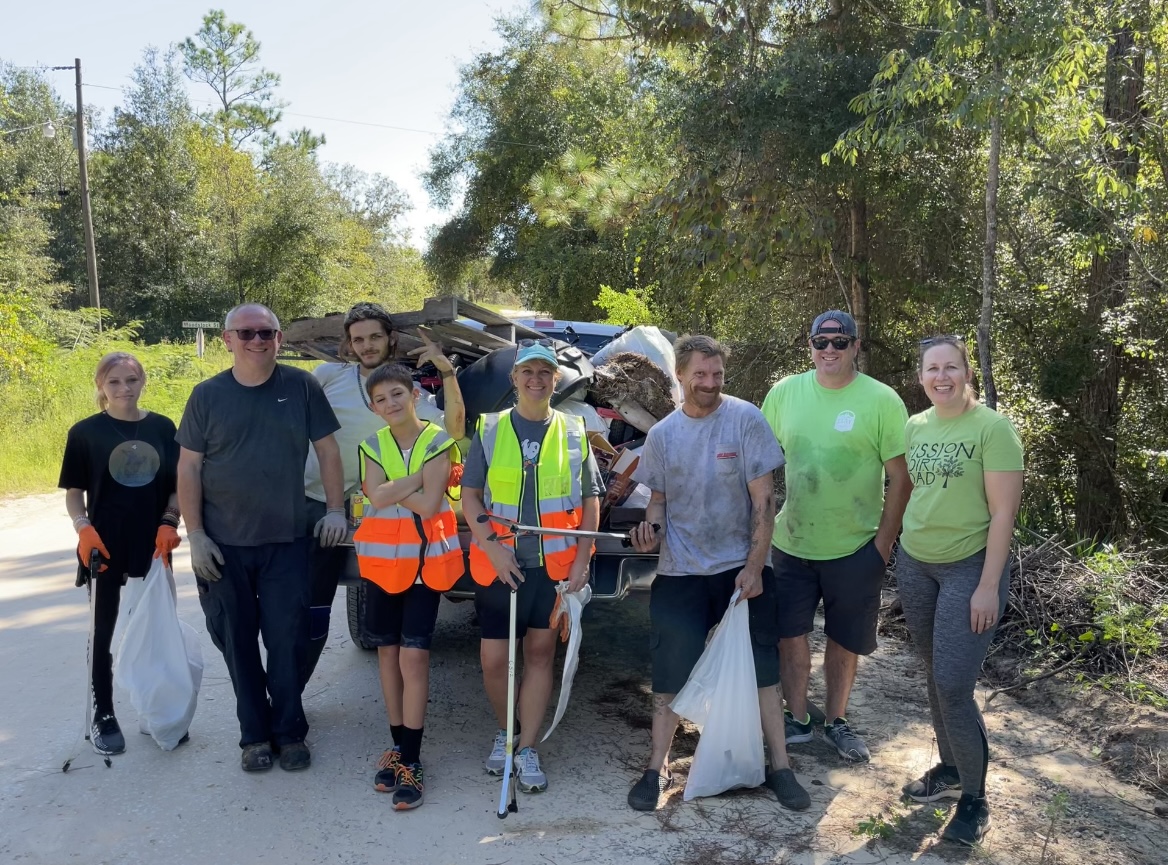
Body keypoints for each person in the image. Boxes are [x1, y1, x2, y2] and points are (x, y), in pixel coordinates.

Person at [626, 335, 810, 812]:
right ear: (681, 377)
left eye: (717, 375)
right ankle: (656, 767)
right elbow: (659, 503)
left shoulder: (745, 419)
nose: (709, 384)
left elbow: (764, 500)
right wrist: (651, 533)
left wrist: (753, 568)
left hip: (738, 572)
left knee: (762, 674)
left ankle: (781, 767)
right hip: (681, 571)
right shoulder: (663, 435)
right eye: (699, 375)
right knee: (668, 676)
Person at [177, 303, 344, 773]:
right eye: (247, 333)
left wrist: (335, 510)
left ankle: (289, 733)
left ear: (279, 338)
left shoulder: (301, 386)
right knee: (237, 640)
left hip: (287, 540)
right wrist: (196, 536)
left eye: (266, 333)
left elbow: (328, 449)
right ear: (228, 339)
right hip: (224, 545)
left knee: (286, 638)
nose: (257, 341)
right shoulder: (207, 395)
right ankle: (254, 737)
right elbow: (188, 467)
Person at [761, 310, 911, 762]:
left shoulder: (882, 401)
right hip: (792, 542)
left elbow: (901, 480)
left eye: (839, 342)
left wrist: (882, 545)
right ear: (809, 345)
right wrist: (757, 533)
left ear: (855, 346)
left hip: (855, 547)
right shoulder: (785, 393)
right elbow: (761, 467)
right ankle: (799, 719)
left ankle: (838, 720)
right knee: (791, 636)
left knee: (845, 641)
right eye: (820, 341)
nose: (829, 350)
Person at [462, 339, 604, 794]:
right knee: (493, 660)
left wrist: (583, 558)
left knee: (541, 655)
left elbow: (590, 500)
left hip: (553, 569)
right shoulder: (489, 428)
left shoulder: (575, 430)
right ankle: (505, 732)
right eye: (528, 372)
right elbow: (470, 497)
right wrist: (493, 548)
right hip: (500, 565)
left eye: (545, 372)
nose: (536, 379)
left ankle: (525, 747)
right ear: (515, 379)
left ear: (555, 380)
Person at [897, 335, 1023, 845]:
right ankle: (950, 771)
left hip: (969, 568)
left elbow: (1003, 513)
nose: (942, 377)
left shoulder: (993, 429)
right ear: (921, 376)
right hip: (915, 563)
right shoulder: (916, 426)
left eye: (951, 367)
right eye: (932, 368)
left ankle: (975, 799)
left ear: (967, 373)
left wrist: (988, 586)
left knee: (953, 684)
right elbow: (913, 492)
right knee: (933, 674)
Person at [301, 301, 465, 687]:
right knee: (303, 606)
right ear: (348, 343)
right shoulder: (328, 376)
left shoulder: (406, 391)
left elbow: (454, 430)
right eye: (359, 339)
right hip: (317, 502)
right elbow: (292, 420)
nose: (367, 345)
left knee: (373, 622)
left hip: (376, 514)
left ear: (390, 339)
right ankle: (290, 702)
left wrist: (447, 373)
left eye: (375, 336)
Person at [59, 352, 182, 756]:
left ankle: (158, 710)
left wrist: (169, 520)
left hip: (153, 544)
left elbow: (177, 484)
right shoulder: (85, 433)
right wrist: (84, 529)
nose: (124, 388)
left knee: (157, 627)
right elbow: (75, 493)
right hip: (104, 545)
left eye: (131, 380)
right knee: (103, 631)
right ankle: (104, 713)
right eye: (114, 382)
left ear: (143, 380)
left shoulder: (163, 428)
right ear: (101, 386)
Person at [352, 363, 463, 810]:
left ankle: (412, 761)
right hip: (382, 568)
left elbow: (431, 504)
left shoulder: (440, 441)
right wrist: (418, 479)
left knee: (414, 661)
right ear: (374, 408)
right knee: (388, 658)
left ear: (414, 394)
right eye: (381, 399)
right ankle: (398, 748)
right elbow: (375, 498)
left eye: (397, 394)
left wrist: (399, 487)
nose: (390, 404)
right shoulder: (370, 444)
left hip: (424, 567)